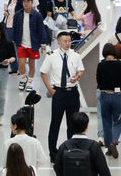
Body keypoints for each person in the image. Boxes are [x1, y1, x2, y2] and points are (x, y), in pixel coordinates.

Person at [40, 31, 85, 161]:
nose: (67, 43)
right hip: (58, 92)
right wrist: (51, 90)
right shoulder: (51, 56)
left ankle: (71, 149)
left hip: (72, 92)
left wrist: (77, 76)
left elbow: (81, 69)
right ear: (59, 42)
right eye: (65, 41)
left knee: (73, 123)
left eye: (69, 41)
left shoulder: (75, 55)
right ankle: (53, 153)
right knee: (55, 123)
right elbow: (43, 73)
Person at [9, 0, 48, 91]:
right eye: (24, 2)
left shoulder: (37, 15)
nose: (25, 4)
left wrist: (43, 43)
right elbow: (14, 28)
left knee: (31, 64)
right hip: (21, 43)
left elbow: (41, 29)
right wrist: (13, 40)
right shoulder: (18, 14)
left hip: (33, 44)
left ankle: (30, 82)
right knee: (21, 64)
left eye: (28, 2)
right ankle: (23, 79)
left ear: (32, 3)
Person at [53, 112, 111, 176]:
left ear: (71, 126)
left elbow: (57, 168)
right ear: (87, 126)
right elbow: (104, 171)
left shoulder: (64, 146)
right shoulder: (94, 146)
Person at [96, 43, 121, 159]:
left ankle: (109, 146)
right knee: (118, 122)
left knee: (106, 122)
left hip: (104, 95)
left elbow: (98, 81)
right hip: (117, 95)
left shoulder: (101, 65)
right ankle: (114, 142)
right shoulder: (120, 65)